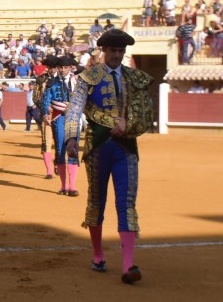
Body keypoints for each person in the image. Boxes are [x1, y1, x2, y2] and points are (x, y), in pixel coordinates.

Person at [64, 29, 155, 285]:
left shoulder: (135, 78)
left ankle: (128, 266)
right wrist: (71, 137)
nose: (117, 55)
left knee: (126, 202)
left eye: (121, 51)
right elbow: (74, 108)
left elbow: (147, 114)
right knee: (96, 201)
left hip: (126, 148)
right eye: (113, 50)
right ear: (104, 52)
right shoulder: (88, 77)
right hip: (98, 147)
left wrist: (130, 123)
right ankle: (98, 254)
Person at [42, 56, 79, 197]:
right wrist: (46, 112)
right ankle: (64, 186)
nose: (63, 70)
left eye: (65, 67)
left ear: (70, 68)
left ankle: (73, 187)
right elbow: (46, 99)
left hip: (73, 118)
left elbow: (84, 98)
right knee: (60, 149)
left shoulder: (77, 81)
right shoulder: (52, 83)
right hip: (58, 118)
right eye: (61, 68)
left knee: (73, 149)